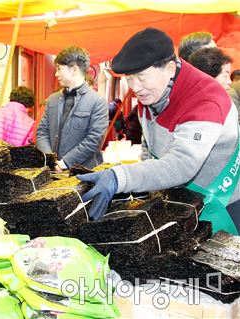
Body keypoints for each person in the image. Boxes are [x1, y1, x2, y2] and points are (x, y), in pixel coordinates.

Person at [77, 28, 240, 235]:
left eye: (142, 77)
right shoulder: (155, 91)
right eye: (129, 78)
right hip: (185, 201)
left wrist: (122, 177)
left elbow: (182, 163)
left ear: (170, 68)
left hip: (223, 204)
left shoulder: (205, 99)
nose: (135, 87)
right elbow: (149, 145)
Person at [36, 46, 108, 171]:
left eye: (59, 69)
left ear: (74, 69)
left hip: (82, 173)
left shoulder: (97, 102)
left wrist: (64, 163)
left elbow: (94, 140)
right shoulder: (52, 99)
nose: (56, 74)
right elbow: (42, 131)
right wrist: (50, 160)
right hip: (52, 172)